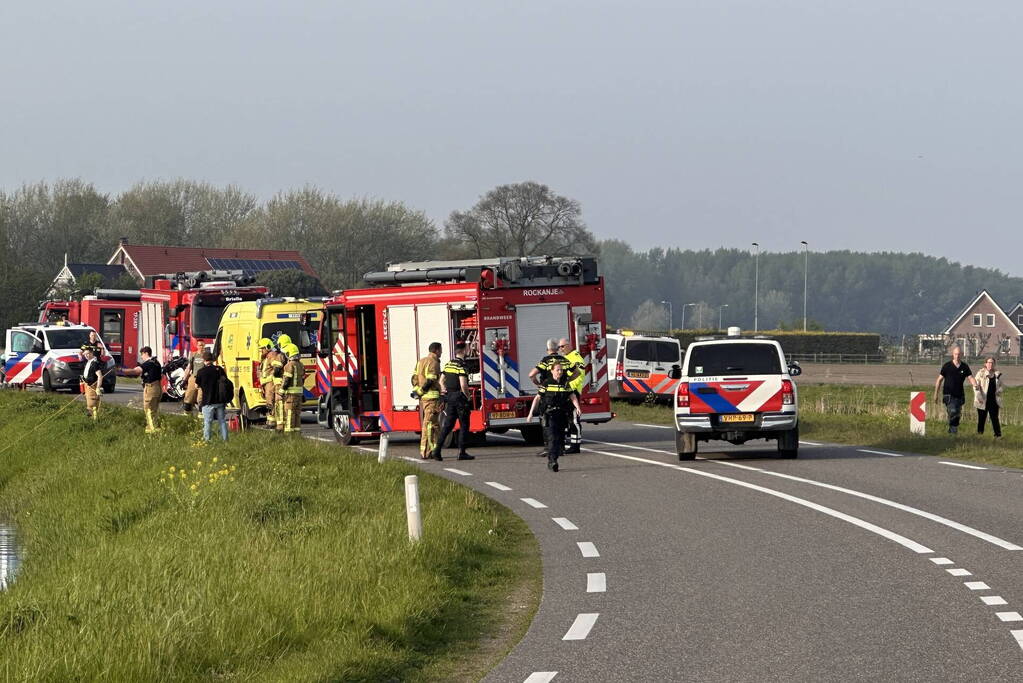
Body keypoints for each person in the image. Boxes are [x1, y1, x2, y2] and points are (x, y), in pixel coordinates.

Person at [528, 339, 581, 457]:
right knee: (561, 422)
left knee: (546, 422)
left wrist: (537, 383)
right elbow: (577, 373)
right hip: (563, 394)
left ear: (548, 349)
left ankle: (548, 448)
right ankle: (561, 447)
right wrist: (568, 381)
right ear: (557, 349)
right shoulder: (565, 360)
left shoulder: (546, 361)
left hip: (548, 394)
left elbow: (531, 374)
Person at [430, 341, 475, 462]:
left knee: (447, 426)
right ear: (464, 351)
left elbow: (441, 380)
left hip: (450, 398)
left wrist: (444, 391)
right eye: (468, 348)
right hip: (460, 398)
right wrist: (468, 396)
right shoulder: (462, 365)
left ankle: (437, 451)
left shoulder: (449, 364)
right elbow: (463, 384)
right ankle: (462, 452)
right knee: (464, 425)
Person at [934, 345, 977, 434]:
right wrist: (936, 394)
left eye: (959, 354)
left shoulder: (964, 367)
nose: (957, 356)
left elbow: (970, 377)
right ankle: (953, 431)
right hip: (948, 395)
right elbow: (939, 380)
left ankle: (952, 431)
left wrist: (975, 384)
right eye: (955, 354)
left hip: (959, 395)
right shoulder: (947, 366)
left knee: (957, 414)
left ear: (961, 355)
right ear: (953, 355)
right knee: (953, 411)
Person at [119, 346, 162, 433]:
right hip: (157, 387)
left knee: (148, 409)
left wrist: (121, 370)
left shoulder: (148, 363)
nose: (141, 357)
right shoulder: (156, 362)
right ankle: (151, 427)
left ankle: (152, 429)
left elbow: (136, 371)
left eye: (142, 355)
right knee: (154, 409)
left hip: (151, 388)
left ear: (146, 353)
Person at [413, 342, 443, 459]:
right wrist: (421, 391)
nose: (441, 352)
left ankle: (434, 450)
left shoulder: (421, 361)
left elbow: (414, 377)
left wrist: (416, 390)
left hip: (425, 398)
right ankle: (425, 452)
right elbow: (430, 381)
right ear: (436, 350)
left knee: (434, 425)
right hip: (431, 398)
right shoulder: (433, 362)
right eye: (440, 350)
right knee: (429, 425)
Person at [195, 351, 228, 442]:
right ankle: (225, 440)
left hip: (207, 401)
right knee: (222, 421)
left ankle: (207, 440)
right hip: (220, 401)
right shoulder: (219, 369)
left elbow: (196, 386)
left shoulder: (201, 372)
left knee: (208, 422)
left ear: (204, 360)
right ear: (212, 360)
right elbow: (226, 381)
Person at [560, 338, 586, 454]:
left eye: (563, 346)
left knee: (574, 420)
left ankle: (575, 446)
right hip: (565, 392)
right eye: (559, 347)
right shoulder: (565, 358)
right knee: (566, 419)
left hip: (572, 391)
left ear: (569, 345)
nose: (561, 349)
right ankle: (565, 443)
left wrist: (568, 387)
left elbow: (579, 376)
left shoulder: (576, 357)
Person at [973, 357, 1003, 438]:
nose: (990, 364)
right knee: (981, 419)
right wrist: (979, 397)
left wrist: (999, 391)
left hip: (994, 400)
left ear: (994, 364)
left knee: (995, 419)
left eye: (992, 363)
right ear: (985, 364)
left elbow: (1000, 386)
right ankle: (979, 435)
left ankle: (998, 436)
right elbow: (976, 386)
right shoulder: (980, 373)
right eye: (989, 362)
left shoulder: (997, 374)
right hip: (982, 400)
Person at [257, 338, 283, 429]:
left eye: (262, 348)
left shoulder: (272, 355)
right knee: (269, 402)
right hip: (266, 384)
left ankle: (272, 422)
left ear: (267, 347)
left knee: (271, 402)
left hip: (270, 383)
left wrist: (270, 379)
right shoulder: (266, 357)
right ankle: (270, 420)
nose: (261, 351)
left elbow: (276, 368)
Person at [280, 343, 305, 434]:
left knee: (290, 413)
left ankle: (289, 433)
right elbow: (302, 380)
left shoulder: (289, 365)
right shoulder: (301, 365)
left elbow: (286, 380)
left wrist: (281, 392)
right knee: (297, 414)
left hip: (290, 395)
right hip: (299, 394)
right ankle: (297, 433)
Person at [273, 334, 293, 431]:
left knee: (279, 404)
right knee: (288, 407)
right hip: (290, 384)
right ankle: (289, 426)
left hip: (280, 383)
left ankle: (280, 426)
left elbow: (276, 371)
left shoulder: (281, 355)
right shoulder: (292, 353)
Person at [181, 338, 205, 416]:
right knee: (189, 396)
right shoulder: (193, 355)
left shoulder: (206, 355)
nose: (201, 347)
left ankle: (201, 415)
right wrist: (184, 380)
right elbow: (189, 368)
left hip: (203, 380)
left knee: (200, 398)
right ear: (197, 346)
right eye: (199, 345)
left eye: (202, 345)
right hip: (193, 378)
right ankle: (188, 415)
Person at [80, 345, 104, 420]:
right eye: (85, 354)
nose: (86, 355)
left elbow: (100, 376)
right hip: (86, 385)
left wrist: (98, 388)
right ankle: (91, 419)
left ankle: (94, 419)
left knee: (92, 404)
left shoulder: (95, 363)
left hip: (92, 386)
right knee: (88, 403)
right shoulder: (88, 362)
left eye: (88, 354)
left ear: (91, 353)